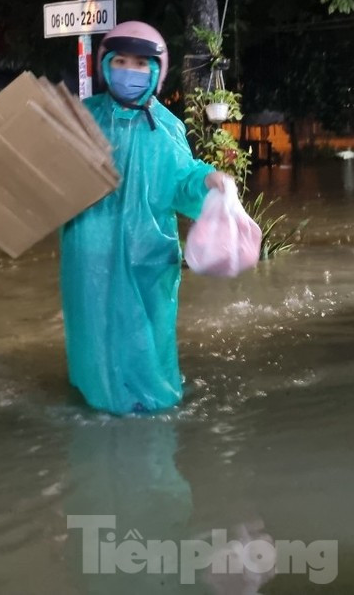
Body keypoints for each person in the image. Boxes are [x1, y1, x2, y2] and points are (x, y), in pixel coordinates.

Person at [59, 21, 229, 415]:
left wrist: (209, 180)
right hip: (90, 254)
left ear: (156, 70)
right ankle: (97, 394)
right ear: (105, 65)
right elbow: (53, 176)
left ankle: (153, 400)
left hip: (147, 255)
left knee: (148, 333)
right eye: (121, 61)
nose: (130, 71)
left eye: (141, 63)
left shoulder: (166, 127)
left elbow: (183, 181)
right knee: (94, 329)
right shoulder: (83, 118)